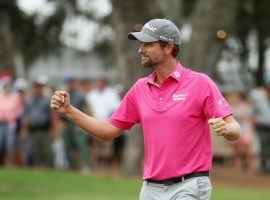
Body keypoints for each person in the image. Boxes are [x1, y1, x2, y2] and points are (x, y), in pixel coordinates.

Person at [51, 18, 241, 200]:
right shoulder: (140, 88)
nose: (141, 49)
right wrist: (68, 110)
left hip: (189, 185)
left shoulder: (200, 83)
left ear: (168, 47)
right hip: (151, 189)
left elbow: (235, 128)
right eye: (141, 44)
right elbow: (107, 132)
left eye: (148, 44)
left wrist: (226, 130)